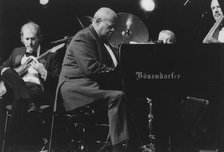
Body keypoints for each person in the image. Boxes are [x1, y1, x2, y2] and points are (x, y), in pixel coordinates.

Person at [56, 7, 137, 152]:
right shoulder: (84, 37)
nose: (113, 30)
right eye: (110, 26)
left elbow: (115, 64)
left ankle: (124, 143)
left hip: (90, 84)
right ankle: (117, 147)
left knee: (133, 96)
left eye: (114, 27)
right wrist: (115, 75)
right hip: (76, 88)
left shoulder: (103, 41)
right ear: (98, 21)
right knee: (117, 96)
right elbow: (91, 68)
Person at [0, 21, 61, 149]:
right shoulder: (17, 51)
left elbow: (58, 80)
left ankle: (10, 142)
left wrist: (42, 71)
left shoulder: (51, 55)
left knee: (20, 100)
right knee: (9, 72)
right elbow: (3, 69)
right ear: (22, 39)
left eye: (33, 39)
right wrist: (18, 71)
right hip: (16, 89)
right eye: (26, 39)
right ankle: (30, 105)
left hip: (36, 89)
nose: (30, 43)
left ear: (39, 38)